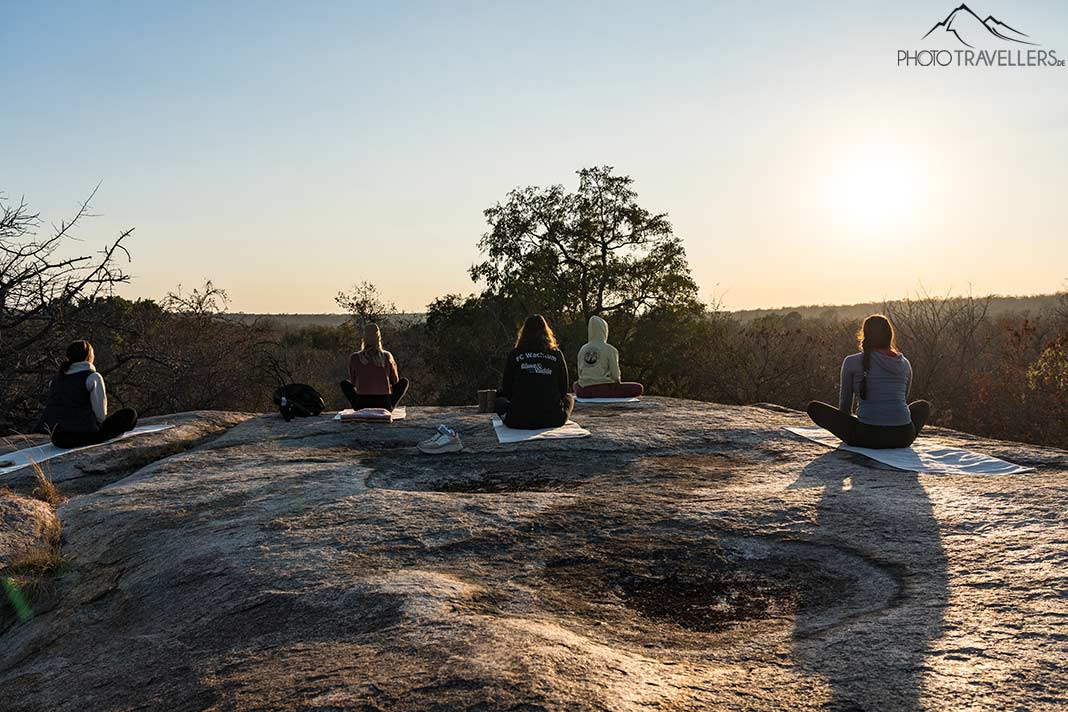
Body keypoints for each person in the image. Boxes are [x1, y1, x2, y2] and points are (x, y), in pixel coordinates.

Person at [806, 314, 931, 449]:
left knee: (814, 408)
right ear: (890, 335)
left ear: (865, 335)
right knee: (923, 406)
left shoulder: (851, 362)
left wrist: (851, 424)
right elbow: (903, 400)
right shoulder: (905, 364)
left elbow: (845, 405)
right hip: (903, 437)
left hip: (866, 436)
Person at [35, 340, 139, 448]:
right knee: (130, 414)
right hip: (82, 436)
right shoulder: (92, 377)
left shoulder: (55, 380)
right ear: (89, 356)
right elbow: (100, 415)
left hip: (57, 439)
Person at [496, 314, 574, 429]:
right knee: (569, 398)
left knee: (499, 401)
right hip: (553, 419)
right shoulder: (556, 354)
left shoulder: (515, 354)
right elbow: (563, 390)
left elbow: (507, 388)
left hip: (518, 420)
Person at [339, 323, 409, 412]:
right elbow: (395, 381)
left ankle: (358, 405)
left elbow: (353, 382)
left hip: (361, 403)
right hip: (384, 404)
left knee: (344, 383)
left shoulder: (354, 357)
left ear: (364, 338)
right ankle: (390, 406)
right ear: (379, 338)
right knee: (404, 382)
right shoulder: (387, 356)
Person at [573, 315, 644, 398]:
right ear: (604, 330)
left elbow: (580, 373)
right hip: (602, 389)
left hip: (582, 390)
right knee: (638, 388)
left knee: (575, 384)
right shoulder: (610, 349)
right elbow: (615, 376)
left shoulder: (583, 349)